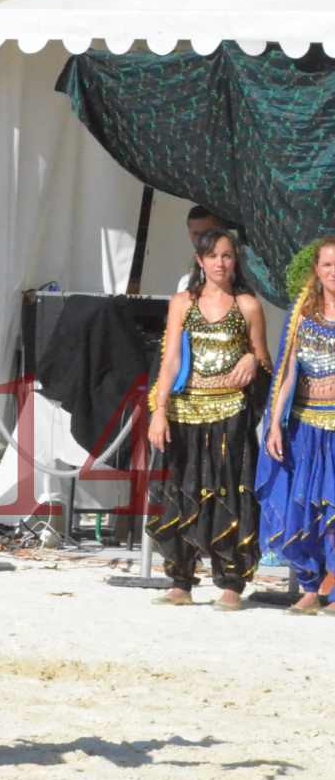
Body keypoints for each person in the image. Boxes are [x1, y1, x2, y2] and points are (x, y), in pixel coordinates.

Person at [147, 229, 270, 610]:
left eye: (227, 256)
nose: (221, 262)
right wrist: (159, 412)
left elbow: (264, 360)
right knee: (182, 492)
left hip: (230, 414)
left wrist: (252, 360)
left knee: (228, 493)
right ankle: (181, 579)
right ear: (200, 261)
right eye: (213, 256)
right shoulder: (182, 303)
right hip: (185, 412)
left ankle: (232, 581)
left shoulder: (247, 305)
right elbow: (170, 361)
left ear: (236, 261)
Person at [257, 237, 335, 614]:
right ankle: (309, 585)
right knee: (304, 508)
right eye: (327, 266)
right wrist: (274, 423)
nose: (333, 272)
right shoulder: (301, 315)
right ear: (316, 271)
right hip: (305, 425)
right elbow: (287, 374)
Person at [177, 206, 226, 292]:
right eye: (196, 233)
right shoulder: (185, 283)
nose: (200, 238)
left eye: (206, 232)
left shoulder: (236, 274)